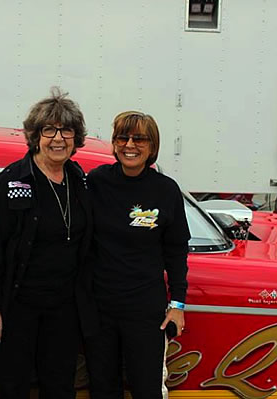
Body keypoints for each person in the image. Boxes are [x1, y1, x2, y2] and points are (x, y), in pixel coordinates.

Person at [0, 88, 96, 399]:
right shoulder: (11, 182)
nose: (58, 138)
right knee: (11, 388)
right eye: (49, 130)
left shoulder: (80, 181)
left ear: (76, 137)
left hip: (65, 311)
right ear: (35, 136)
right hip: (16, 309)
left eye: (66, 130)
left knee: (60, 388)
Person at [84, 111, 190, 399]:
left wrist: (178, 304)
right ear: (115, 143)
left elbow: (177, 250)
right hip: (100, 309)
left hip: (146, 312)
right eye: (122, 137)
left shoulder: (166, 190)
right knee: (103, 389)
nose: (129, 144)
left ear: (152, 145)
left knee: (147, 389)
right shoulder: (95, 182)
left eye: (139, 138)